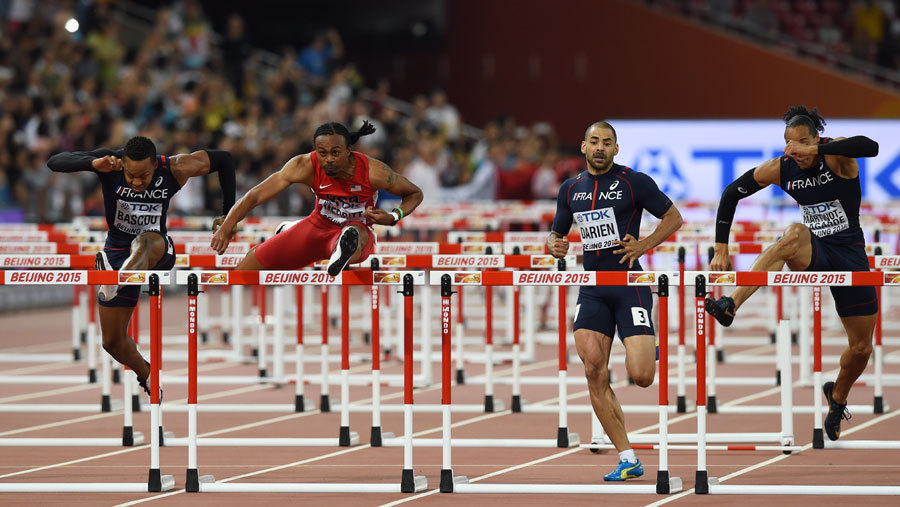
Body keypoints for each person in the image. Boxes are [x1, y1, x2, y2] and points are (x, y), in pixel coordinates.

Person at [706, 105, 879, 441]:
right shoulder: (781, 169)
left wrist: (819, 150)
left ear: (816, 138)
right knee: (793, 233)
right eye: (789, 143)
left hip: (850, 254)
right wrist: (720, 248)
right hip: (815, 249)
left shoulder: (837, 156)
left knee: (861, 349)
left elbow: (869, 146)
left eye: (801, 143)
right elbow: (731, 194)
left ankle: (837, 396)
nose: (794, 151)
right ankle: (731, 304)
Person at [547, 121, 683, 481]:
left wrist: (643, 245)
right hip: (592, 288)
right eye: (594, 142)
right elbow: (557, 234)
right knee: (594, 371)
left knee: (641, 377)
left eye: (607, 142)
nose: (600, 148)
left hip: (629, 285)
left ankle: (646, 343)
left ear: (616, 149)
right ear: (583, 147)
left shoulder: (633, 182)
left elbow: (674, 217)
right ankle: (628, 457)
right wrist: (554, 245)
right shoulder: (570, 188)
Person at [48, 136, 236, 396]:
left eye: (144, 176)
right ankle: (147, 375)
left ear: (155, 166)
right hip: (115, 251)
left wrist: (228, 214)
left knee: (144, 241)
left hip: (157, 248)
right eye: (131, 176)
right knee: (112, 342)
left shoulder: (174, 169)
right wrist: (94, 163)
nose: (137, 183)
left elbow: (224, 159)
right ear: (122, 163)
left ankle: (117, 279)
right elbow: (55, 162)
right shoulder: (109, 164)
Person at [210, 121, 423, 275]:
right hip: (317, 227)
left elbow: (415, 193)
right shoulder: (305, 165)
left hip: (359, 231)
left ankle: (343, 246)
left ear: (349, 150)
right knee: (242, 271)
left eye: (335, 153)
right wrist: (227, 224)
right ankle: (294, 231)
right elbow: (255, 195)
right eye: (322, 152)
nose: (328, 160)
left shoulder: (374, 172)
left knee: (355, 233)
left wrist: (394, 217)